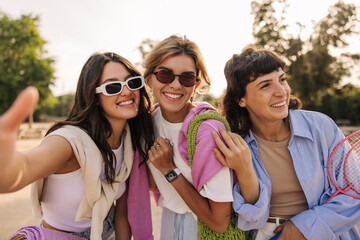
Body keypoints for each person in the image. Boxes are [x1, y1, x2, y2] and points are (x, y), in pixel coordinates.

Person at [0, 52, 154, 240]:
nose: (127, 92)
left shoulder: (129, 140)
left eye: (132, 83)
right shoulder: (69, 142)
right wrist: (5, 166)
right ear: (94, 97)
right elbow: (25, 167)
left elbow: (121, 212)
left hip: (107, 232)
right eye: (113, 87)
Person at [212, 45, 360, 239]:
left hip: (327, 234)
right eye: (265, 85)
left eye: (282, 79)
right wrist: (244, 168)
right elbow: (250, 220)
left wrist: (304, 227)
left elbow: (354, 192)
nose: (281, 92)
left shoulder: (321, 127)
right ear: (241, 99)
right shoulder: (236, 146)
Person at [142, 34, 260, 240]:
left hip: (199, 229)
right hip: (169, 222)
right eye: (165, 75)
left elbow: (219, 222)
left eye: (186, 78)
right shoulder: (148, 121)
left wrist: (169, 170)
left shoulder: (207, 131)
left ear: (196, 85)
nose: (176, 85)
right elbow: (151, 183)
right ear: (149, 79)